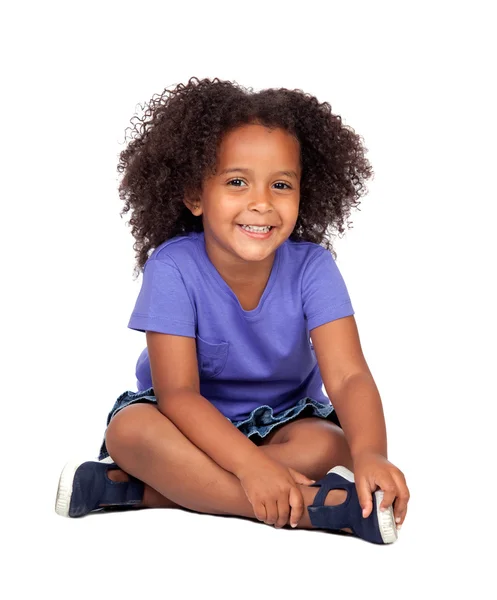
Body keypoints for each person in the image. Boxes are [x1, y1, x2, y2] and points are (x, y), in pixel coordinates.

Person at [55, 77, 410, 544]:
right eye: (237, 181)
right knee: (131, 432)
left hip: (285, 423)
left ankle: (146, 490)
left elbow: (347, 377)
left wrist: (371, 455)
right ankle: (314, 509)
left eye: (281, 184)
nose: (261, 202)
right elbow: (178, 395)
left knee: (332, 444)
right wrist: (250, 468)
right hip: (183, 425)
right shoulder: (173, 268)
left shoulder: (313, 268)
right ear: (195, 195)